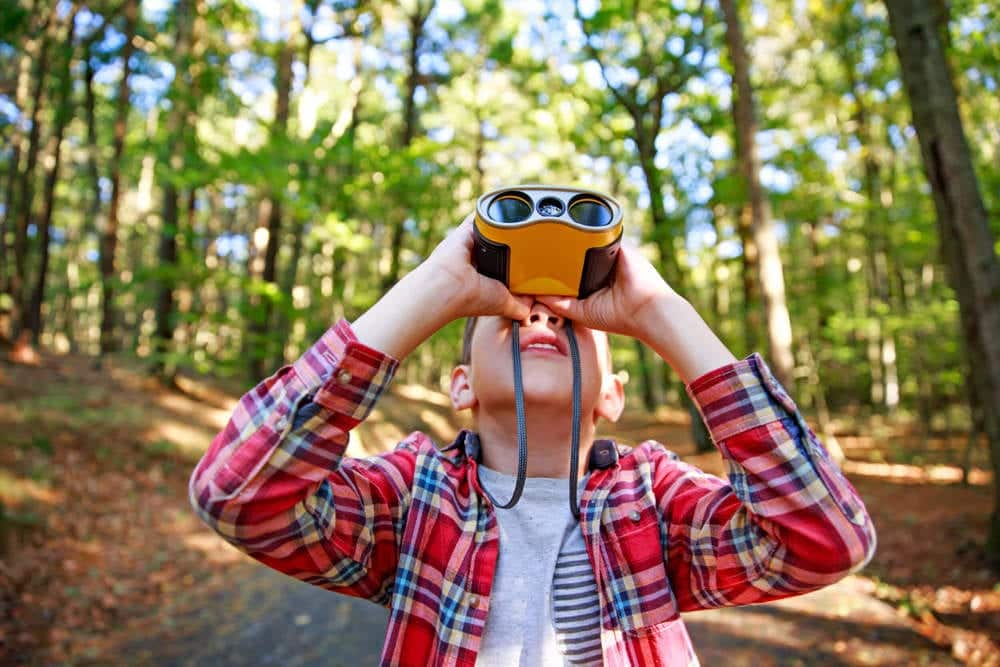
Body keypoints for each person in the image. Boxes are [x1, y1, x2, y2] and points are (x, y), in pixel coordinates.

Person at [189, 212, 876, 666]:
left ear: (612, 394)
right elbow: (238, 495)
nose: (541, 321)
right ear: (460, 386)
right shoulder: (414, 495)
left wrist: (662, 312)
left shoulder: (654, 499)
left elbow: (823, 540)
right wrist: (433, 285)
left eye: (570, 322)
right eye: (513, 317)